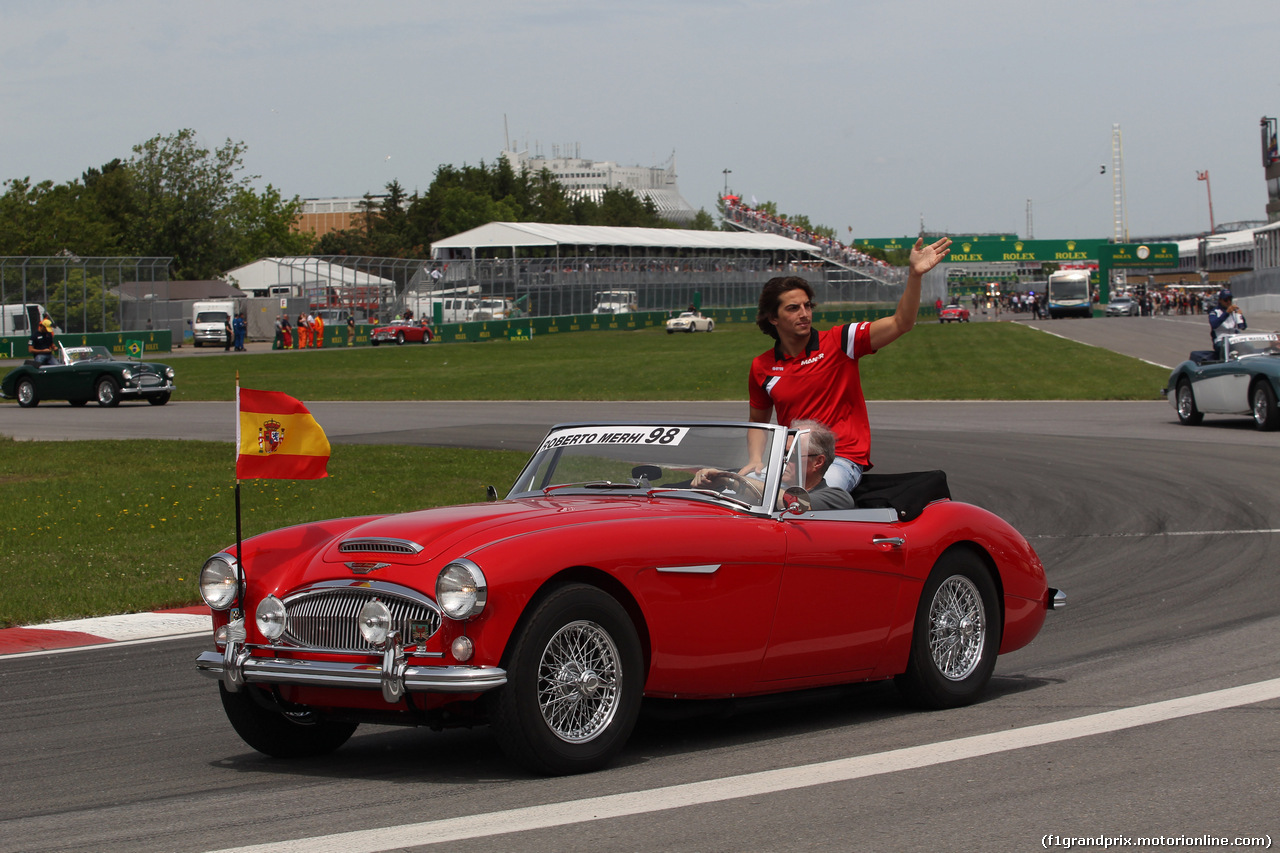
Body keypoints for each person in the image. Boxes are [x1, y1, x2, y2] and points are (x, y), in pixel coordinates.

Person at [744, 235, 952, 491]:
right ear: (773, 318)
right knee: (740, 495)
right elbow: (758, 423)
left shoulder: (841, 341)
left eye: (807, 306)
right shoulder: (762, 366)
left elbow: (901, 323)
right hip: (790, 462)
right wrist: (755, 460)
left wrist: (915, 275)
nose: (804, 314)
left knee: (808, 502)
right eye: (793, 308)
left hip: (840, 459)